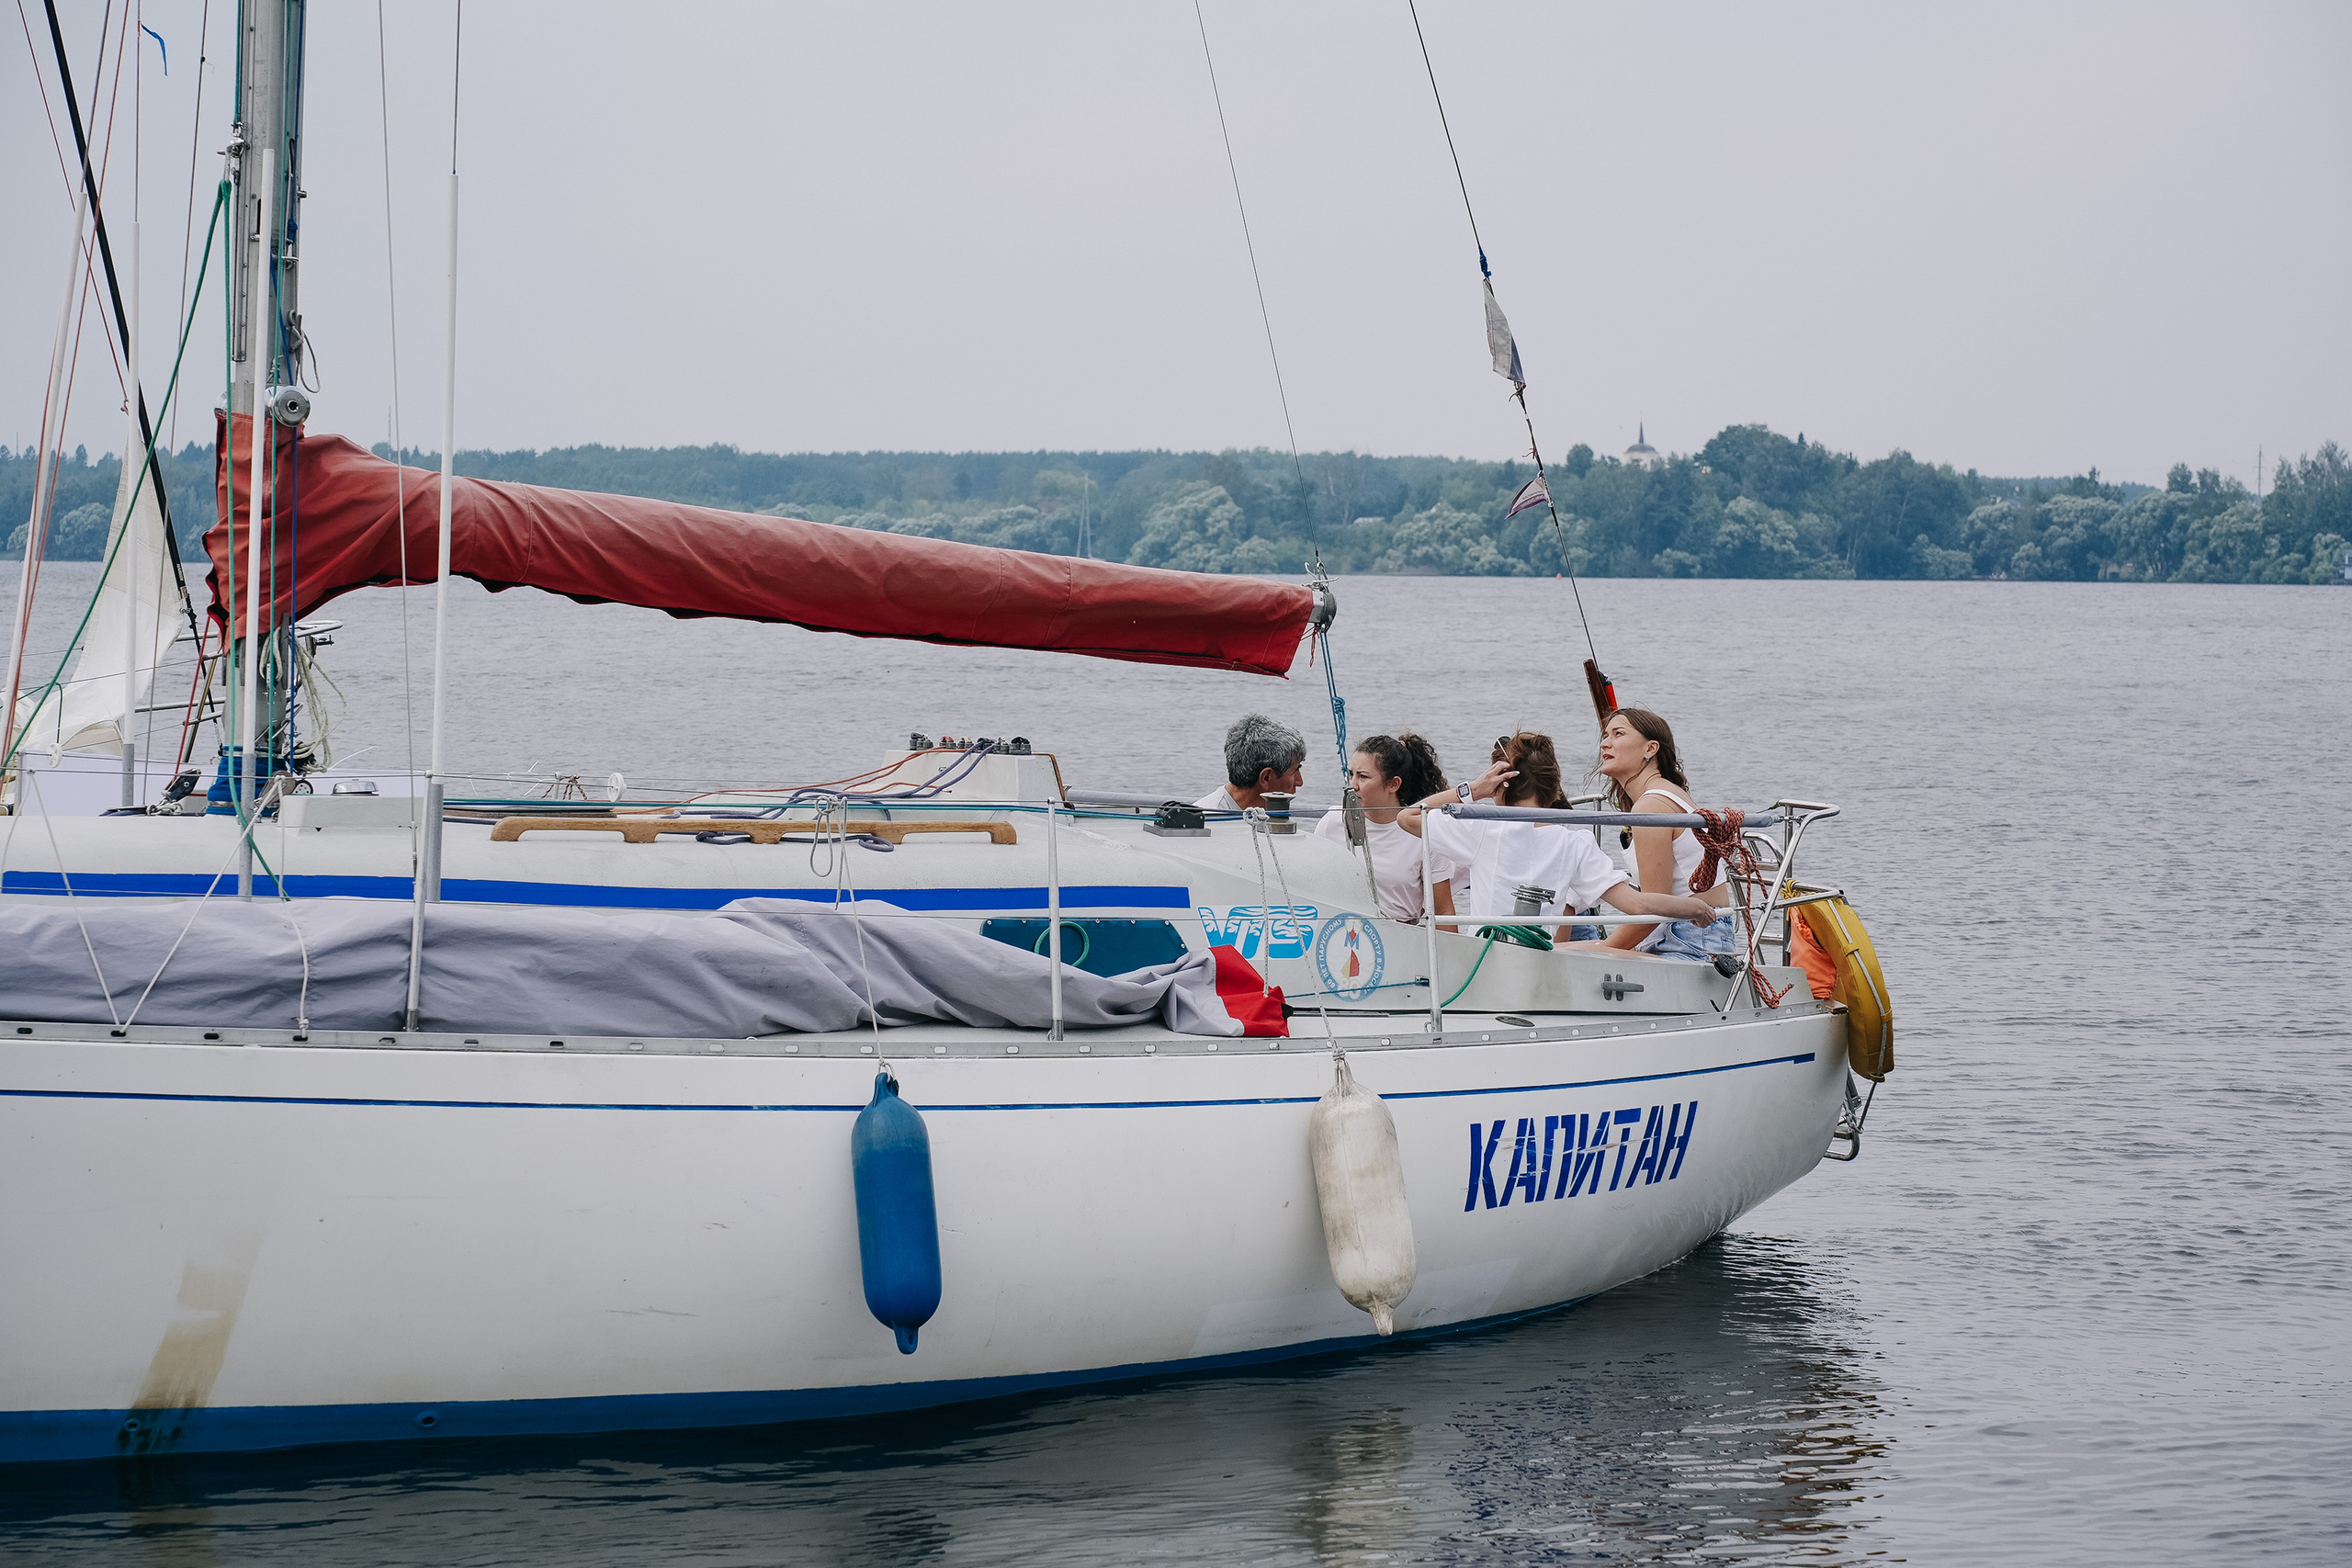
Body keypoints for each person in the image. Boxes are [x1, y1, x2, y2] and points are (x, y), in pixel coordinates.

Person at [1397, 730, 1718, 939]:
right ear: (1553, 790)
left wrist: (1474, 790)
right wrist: (1695, 908)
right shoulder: (1575, 843)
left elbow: (1408, 816)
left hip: (1486, 964)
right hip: (1542, 964)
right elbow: (1634, 904)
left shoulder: (1482, 830)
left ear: (1501, 785)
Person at [1591, 707, 1736, 962]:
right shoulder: (1667, 794)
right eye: (1605, 735)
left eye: (1618, 734)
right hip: (1697, 933)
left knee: (1568, 955)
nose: (1605, 743)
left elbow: (1651, 909)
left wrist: (1603, 949)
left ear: (1650, 749)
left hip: (1688, 940)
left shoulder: (1651, 806)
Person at [1314, 733, 1463, 922]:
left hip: (1401, 938)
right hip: (1338, 934)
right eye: (1351, 774)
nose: (1352, 785)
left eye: (1363, 777)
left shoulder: (1422, 833)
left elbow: (1444, 911)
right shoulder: (1331, 823)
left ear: (1394, 784)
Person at [1196, 714, 1305, 813]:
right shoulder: (1209, 821)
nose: (1299, 782)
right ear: (1266, 777)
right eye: (1295, 770)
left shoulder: (1265, 815)